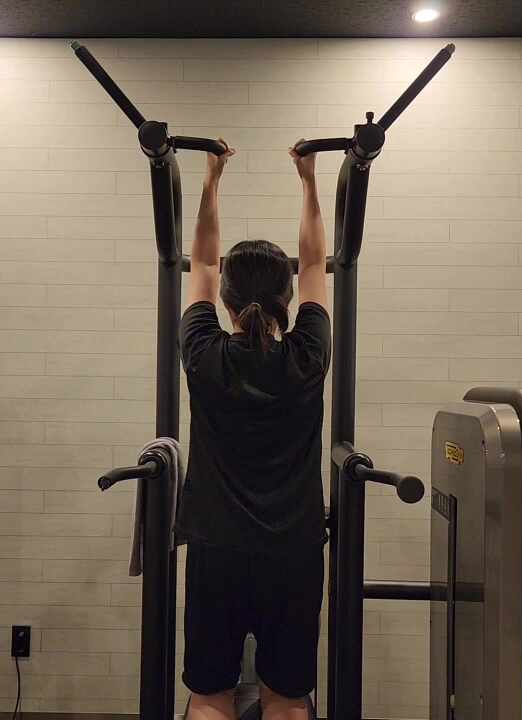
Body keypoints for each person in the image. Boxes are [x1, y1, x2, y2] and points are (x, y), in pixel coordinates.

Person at [177, 137, 331, 720]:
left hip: (216, 546)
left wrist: (211, 179)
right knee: (287, 700)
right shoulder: (308, 352)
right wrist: (309, 180)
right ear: (289, 296)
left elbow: (201, 264)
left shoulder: (203, 352)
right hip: (292, 550)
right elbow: (314, 262)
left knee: (210, 697)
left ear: (225, 297)